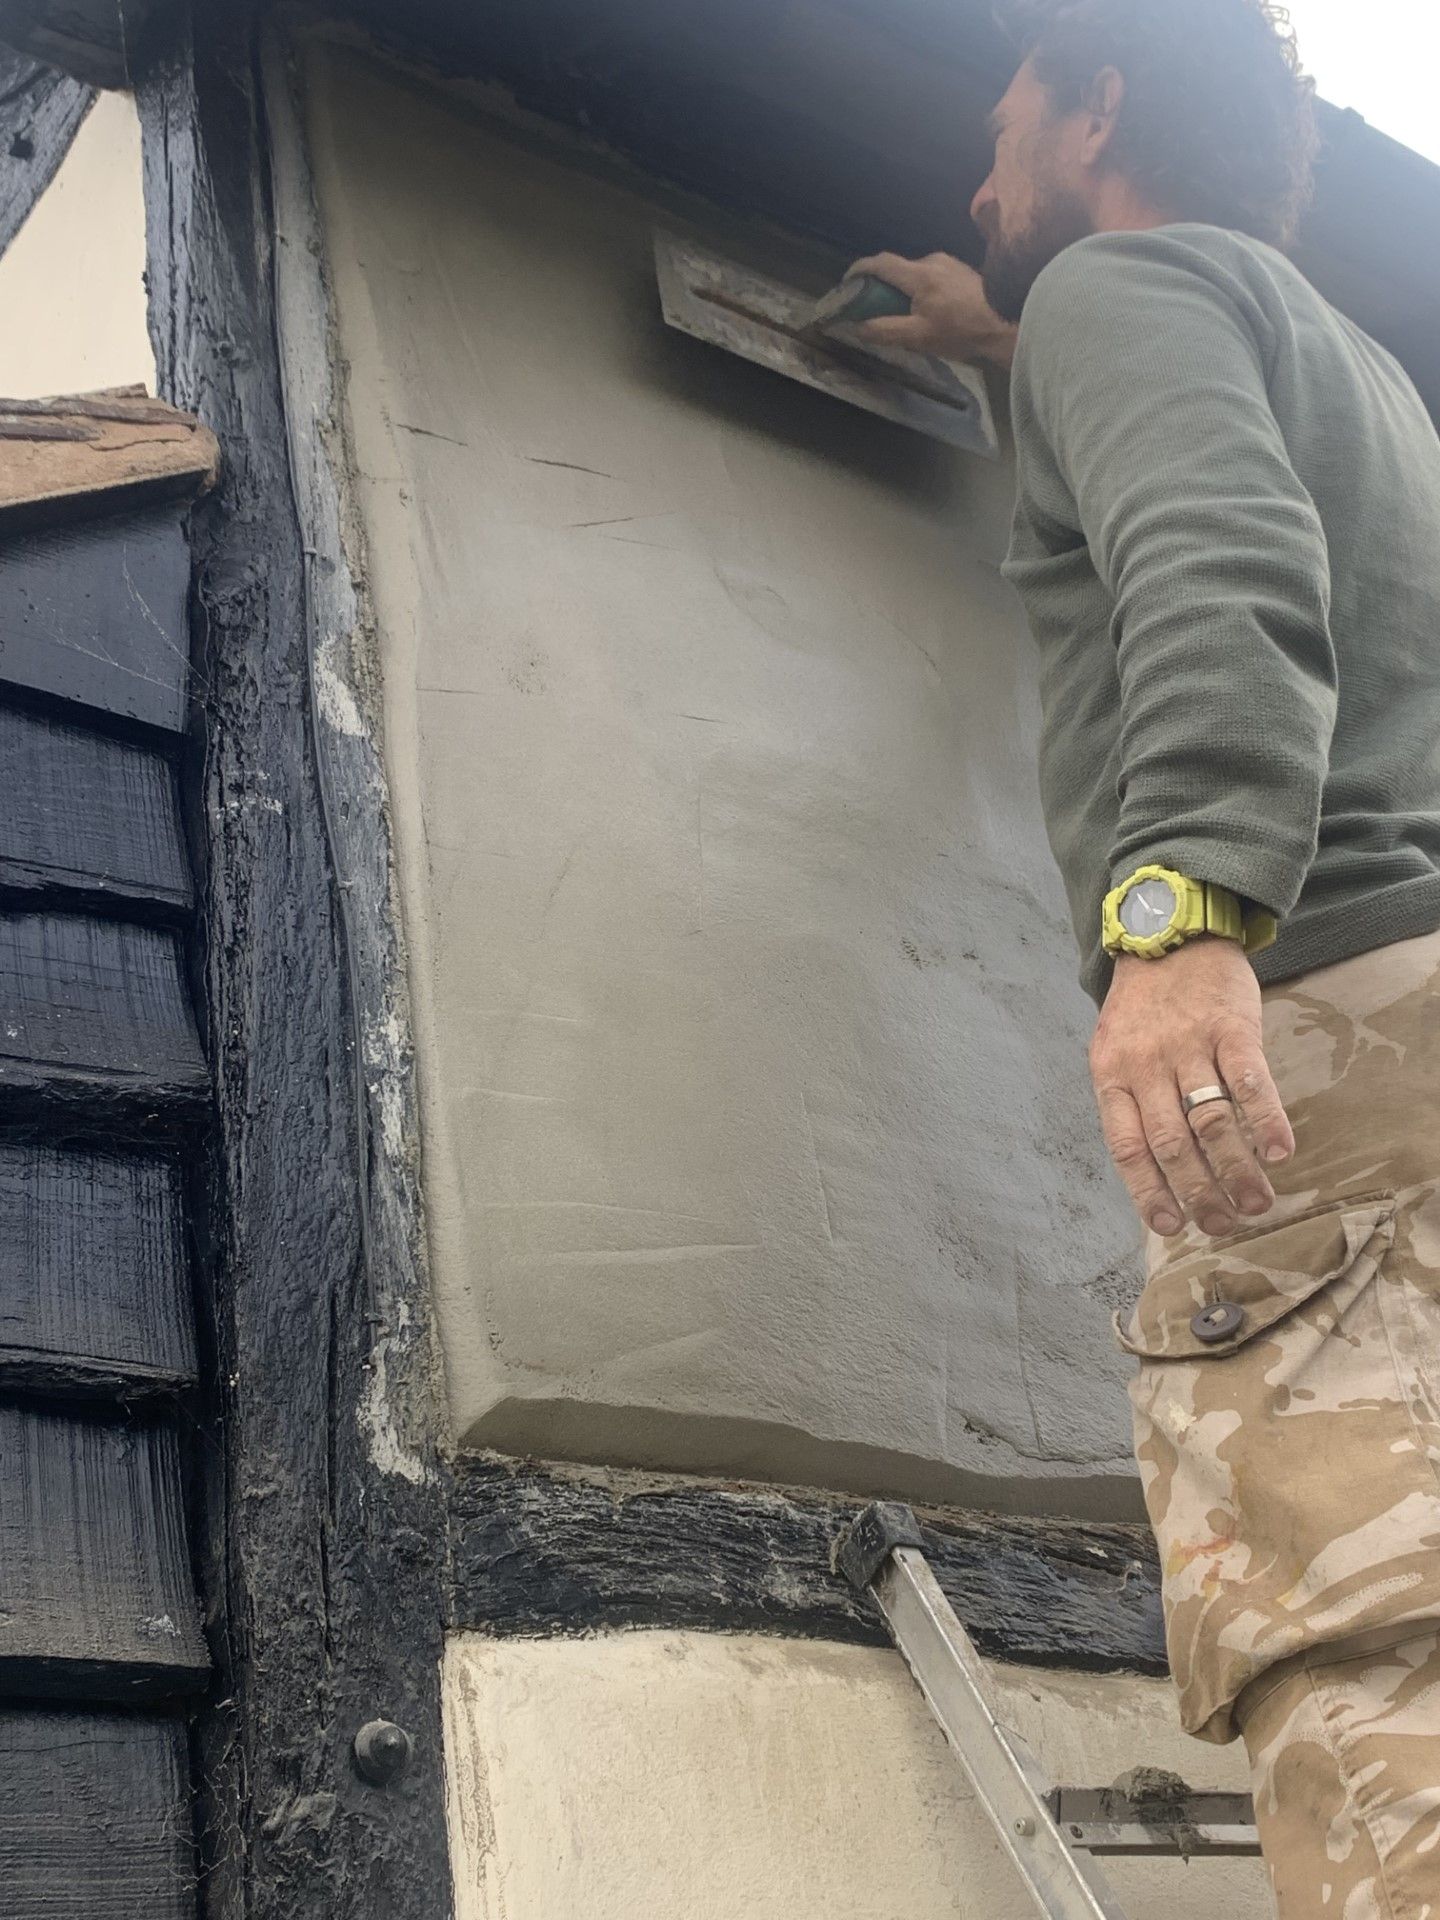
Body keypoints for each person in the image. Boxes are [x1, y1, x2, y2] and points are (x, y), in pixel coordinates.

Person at [849, 2, 1440, 1911]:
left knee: (1376, 1674)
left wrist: (1181, 915)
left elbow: (1211, 538)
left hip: (1320, 1052)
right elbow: (1215, 464)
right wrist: (1000, 342)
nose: (981, 174)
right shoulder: (1357, 367)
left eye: (1007, 122)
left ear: (1099, 107)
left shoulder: (1122, 287)